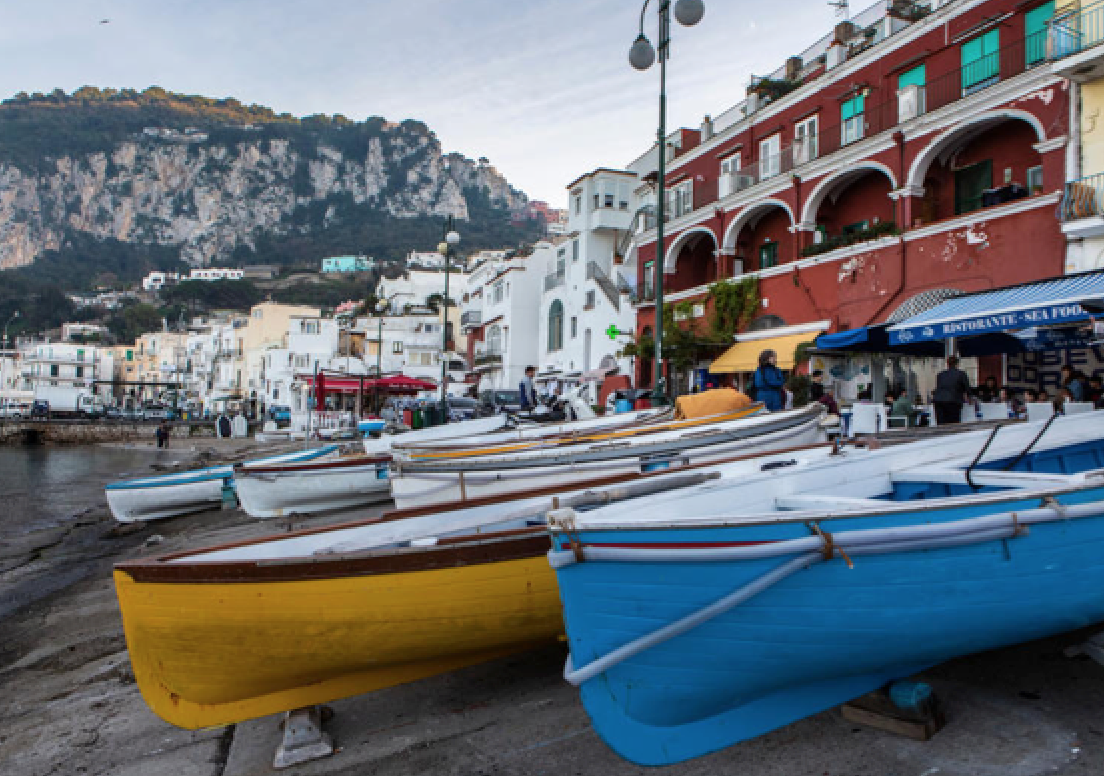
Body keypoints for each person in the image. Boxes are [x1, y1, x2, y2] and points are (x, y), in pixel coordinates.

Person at [932, 355, 971, 425]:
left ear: (947, 364)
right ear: (957, 364)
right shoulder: (961, 374)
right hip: (953, 400)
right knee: (953, 424)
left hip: (939, 401)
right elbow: (967, 388)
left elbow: (939, 388)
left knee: (941, 424)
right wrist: (970, 397)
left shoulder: (940, 375)